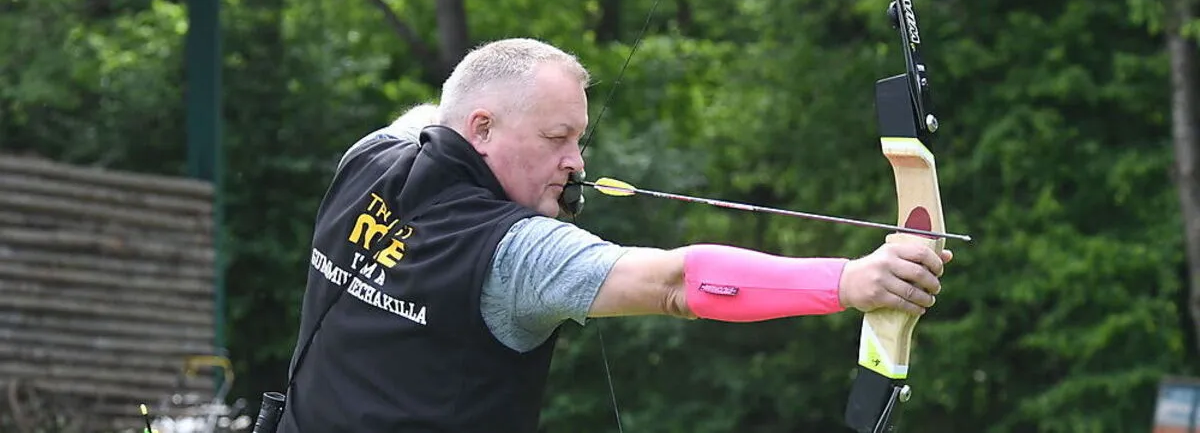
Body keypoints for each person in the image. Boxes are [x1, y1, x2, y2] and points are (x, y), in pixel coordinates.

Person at [275, 38, 952, 433]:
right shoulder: (515, 254)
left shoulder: (370, 157)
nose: (577, 162)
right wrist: (855, 281)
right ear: (481, 130)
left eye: (579, 139)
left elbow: (433, 115)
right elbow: (674, 283)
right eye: (556, 138)